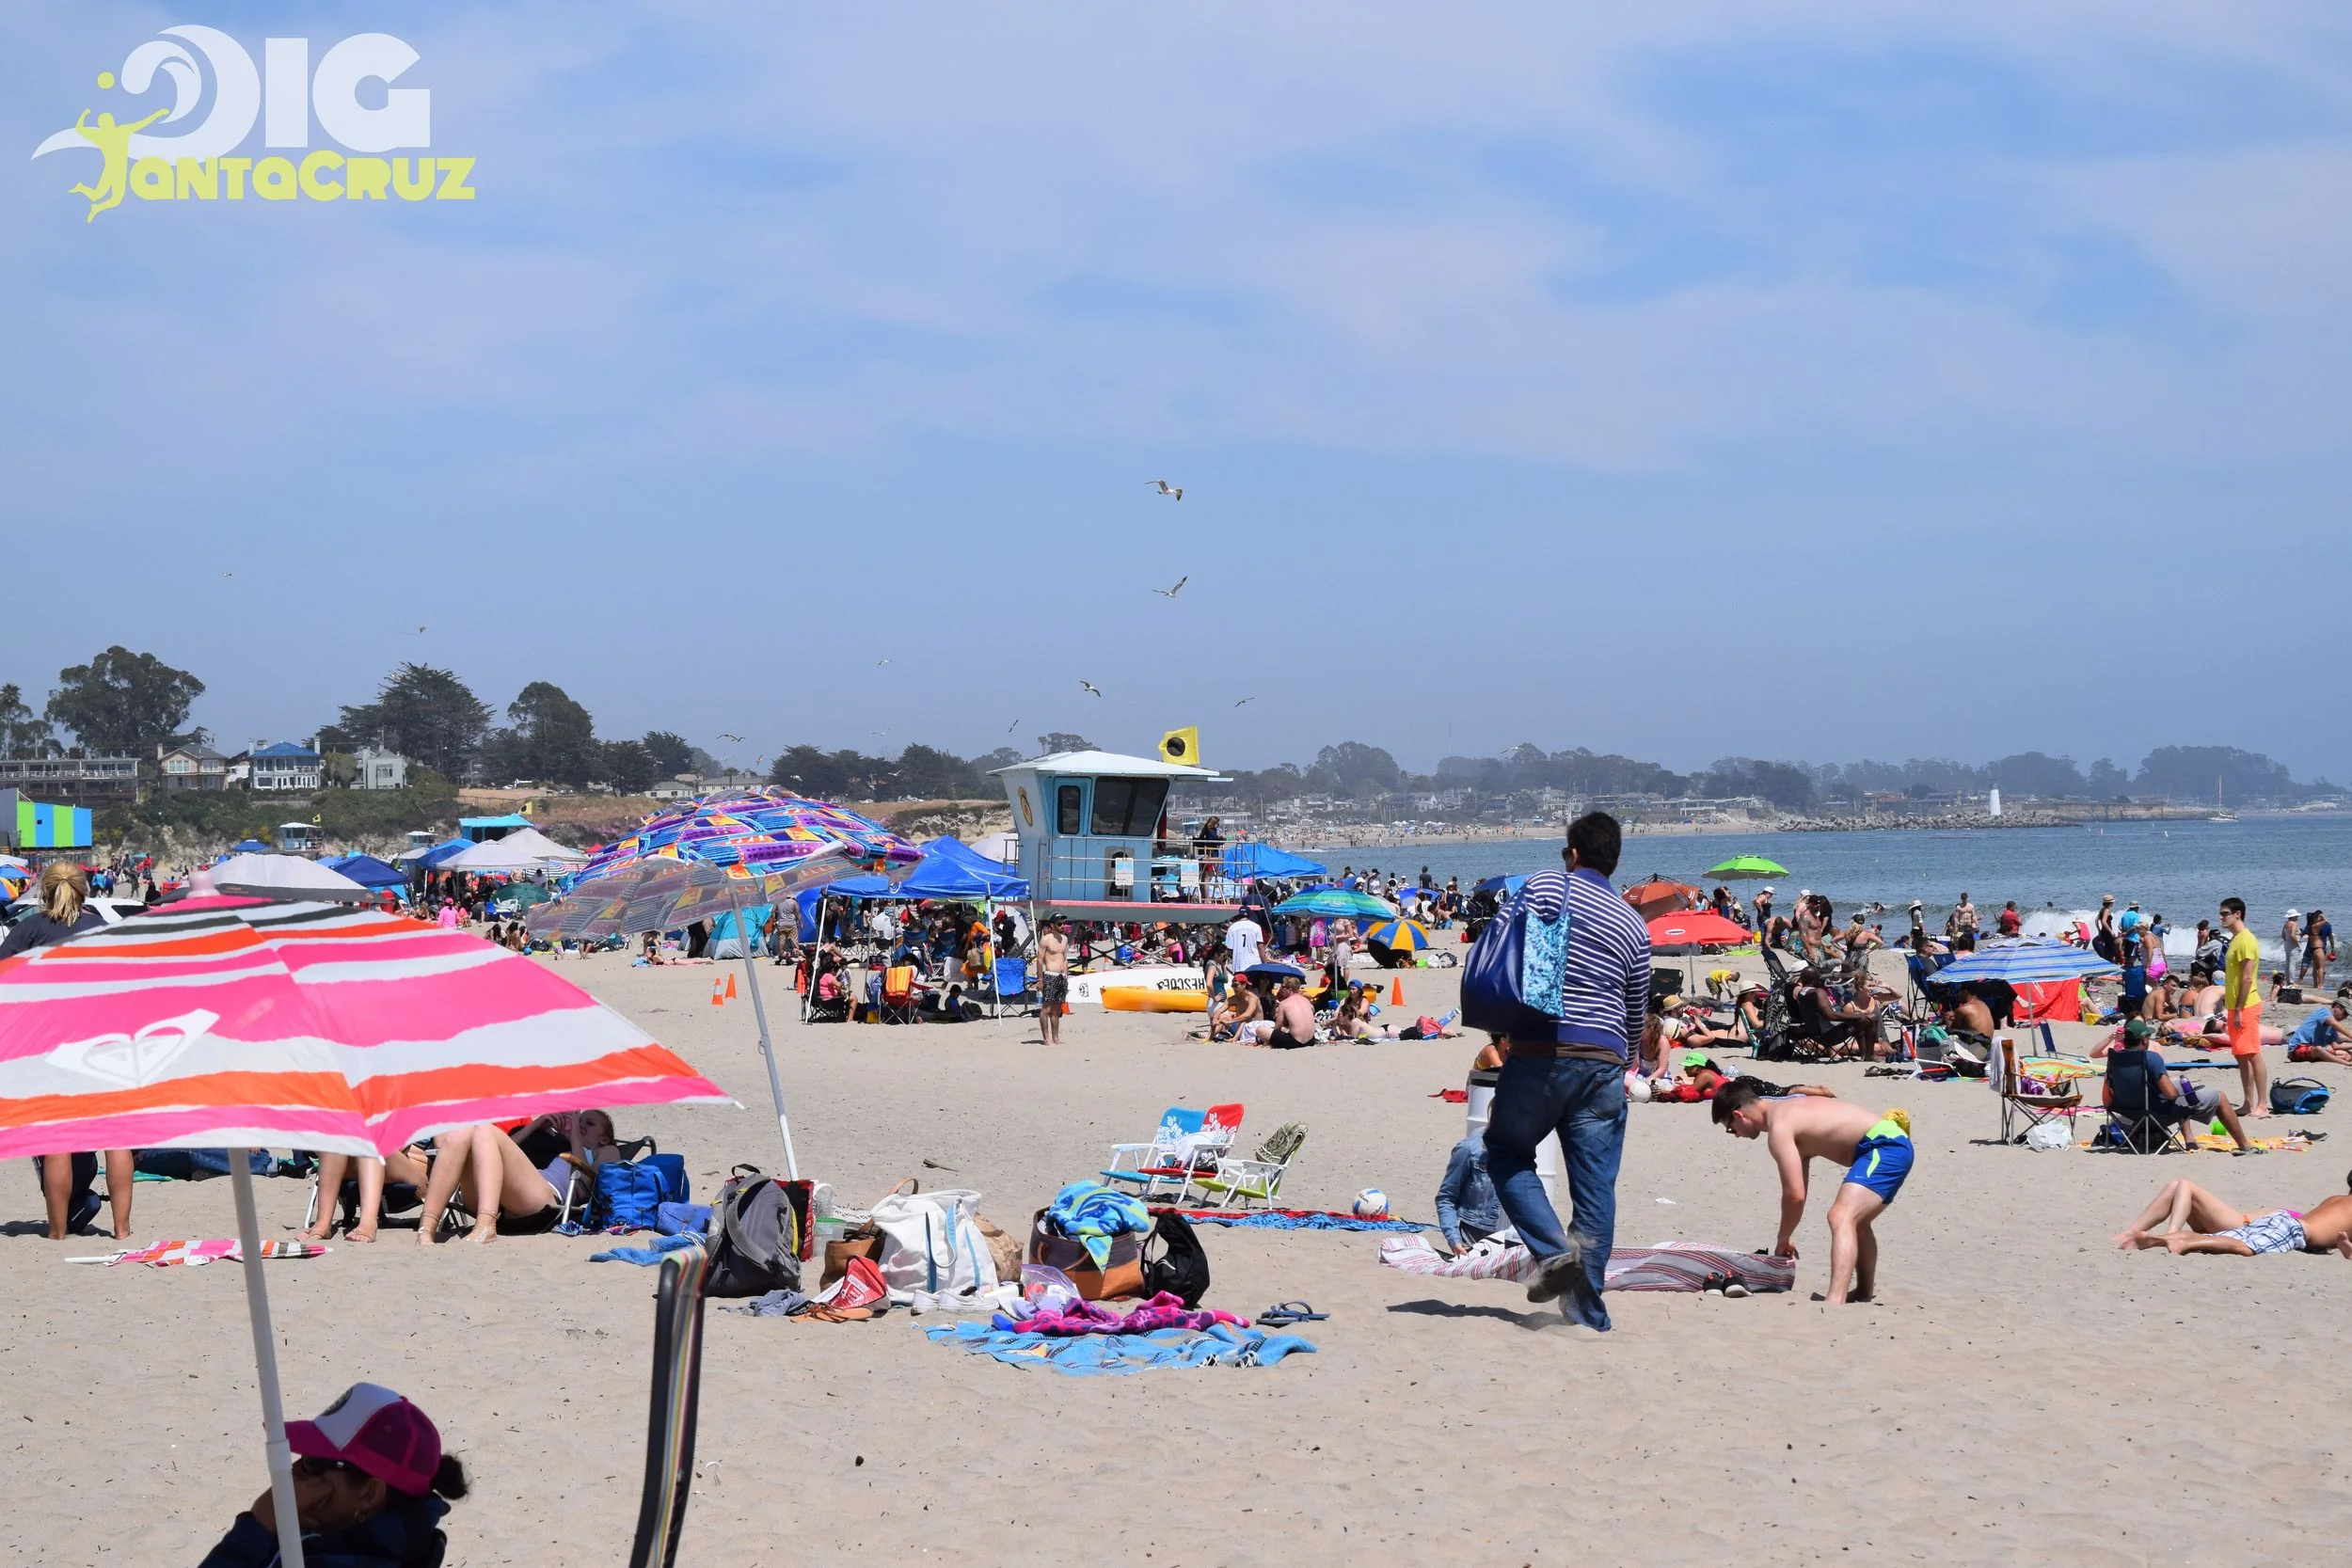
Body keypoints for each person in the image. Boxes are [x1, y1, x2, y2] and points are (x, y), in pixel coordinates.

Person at [1482, 811, 1649, 1331]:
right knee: (1596, 1189)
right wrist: (1627, 1062)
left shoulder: (1550, 886)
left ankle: (1553, 1252)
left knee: (1506, 1151)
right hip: (1604, 1064)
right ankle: (1587, 1315)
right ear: (1614, 861)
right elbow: (1636, 1009)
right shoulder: (1632, 923)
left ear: (1573, 854)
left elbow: (1500, 941)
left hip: (1542, 1049)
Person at [198, 1382, 468, 1568]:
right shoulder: (336, 1533)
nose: (295, 1471)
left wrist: (257, 1524)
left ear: (369, 1493)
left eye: (314, 1463)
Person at [7, 863, 135, 1241]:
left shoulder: (28, 930)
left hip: (47, 1046)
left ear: (43, 892)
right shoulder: (103, 930)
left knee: (57, 1141)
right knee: (116, 1139)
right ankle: (123, 1230)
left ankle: (58, 1233)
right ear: (85, 891)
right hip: (103, 1043)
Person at [1713, 1081, 1912, 1304]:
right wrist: (1787, 1236)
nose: (1735, 1135)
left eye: (1730, 1129)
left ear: (1739, 1115)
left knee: (1841, 1216)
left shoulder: (1779, 1127)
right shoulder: (1788, 1110)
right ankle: (1864, 1292)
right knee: (1857, 1221)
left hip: (1883, 1146)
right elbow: (1799, 1192)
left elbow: (1794, 1196)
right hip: (1888, 1143)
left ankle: (1835, 1300)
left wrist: (1783, 1238)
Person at [412, 1110, 616, 1245]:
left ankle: (486, 1226)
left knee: (483, 1128)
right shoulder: (556, 1141)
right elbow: (501, 1146)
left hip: (544, 1200)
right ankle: (427, 1227)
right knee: (463, 1131)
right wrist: (538, 1125)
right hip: (505, 1195)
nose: (581, 1124)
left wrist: (575, 1139)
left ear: (604, 1137)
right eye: (580, 1120)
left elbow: (590, 1184)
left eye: (589, 1123)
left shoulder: (606, 1150)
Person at [2112, 1172, 2352, 1258]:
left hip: (2283, 1220)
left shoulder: (2334, 1199)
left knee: (2242, 1239)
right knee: (2244, 1247)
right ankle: (2181, 1240)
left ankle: (2180, 1238)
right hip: (2294, 1229)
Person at [2104, 1019, 2254, 1153]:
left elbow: (2107, 1096)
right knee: (2218, 1096)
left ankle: (2190, 1141)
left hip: (2128, 1113)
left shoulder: (2115, 1059)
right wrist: (2180, 1090)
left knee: (2177, 1086)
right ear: (2144, 1040)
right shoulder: (2150, 1058)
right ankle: (2245, 1146)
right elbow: (2171, 1095)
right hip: (2156, 1114)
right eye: (2148, 1037)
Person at [2219, 895, 2269, 1117]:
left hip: (2247, 1006)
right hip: (2234, 1006)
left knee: (2252, 1053)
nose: (2221, 918)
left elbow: (2248, 979)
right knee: (2241, 1055)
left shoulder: (2247, 940)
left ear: (2237, 914)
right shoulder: (2235, 939)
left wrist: (2239, 1008)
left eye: (2225, 914)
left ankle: (2262, 1104)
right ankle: (2248, 1103)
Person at [1434, 1134, 1502, 1254]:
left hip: (1516, 1243)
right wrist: (1454, 1239)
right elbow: (1446, 1198)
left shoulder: (1527, 1149)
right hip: (1475, 1242)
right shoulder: (1469, 1149)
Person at [2285, 999, 2352, 1066]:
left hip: (2313, 1051)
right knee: (2319, 1049)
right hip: (2297, 1049)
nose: (2345, 1017)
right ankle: (2347, 1064)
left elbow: (2336, 1046)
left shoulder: (2332, 1028)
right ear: (2337, 1007)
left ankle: (2324, 1058)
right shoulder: (2324, 1012)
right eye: (2345, 1014)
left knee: (2347, 1055)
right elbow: (2334, 1023)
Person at [1037, 915, 1069, 1046]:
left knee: (1057, 1009)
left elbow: (1065, 958)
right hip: (1050, 975)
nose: (1062, 926)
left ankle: (1055, 1037)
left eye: (1063, 924)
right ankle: (1046, 1038)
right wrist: (1040, 979)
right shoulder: (1046, 939)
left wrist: (1066, 976)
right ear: (1053, 925)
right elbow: (1039, 960)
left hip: (1061, 976)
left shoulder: (1065, 939)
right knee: (1046, 1008)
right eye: (1059, 924)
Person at [1224, 907, 1263, 974]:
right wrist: (1264, 962)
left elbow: (1229, 949)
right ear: (1249, 914)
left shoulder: (1232, 928)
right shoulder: (1256, 927)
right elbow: (1260, 946)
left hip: (1239, 964)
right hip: (1255, 963)